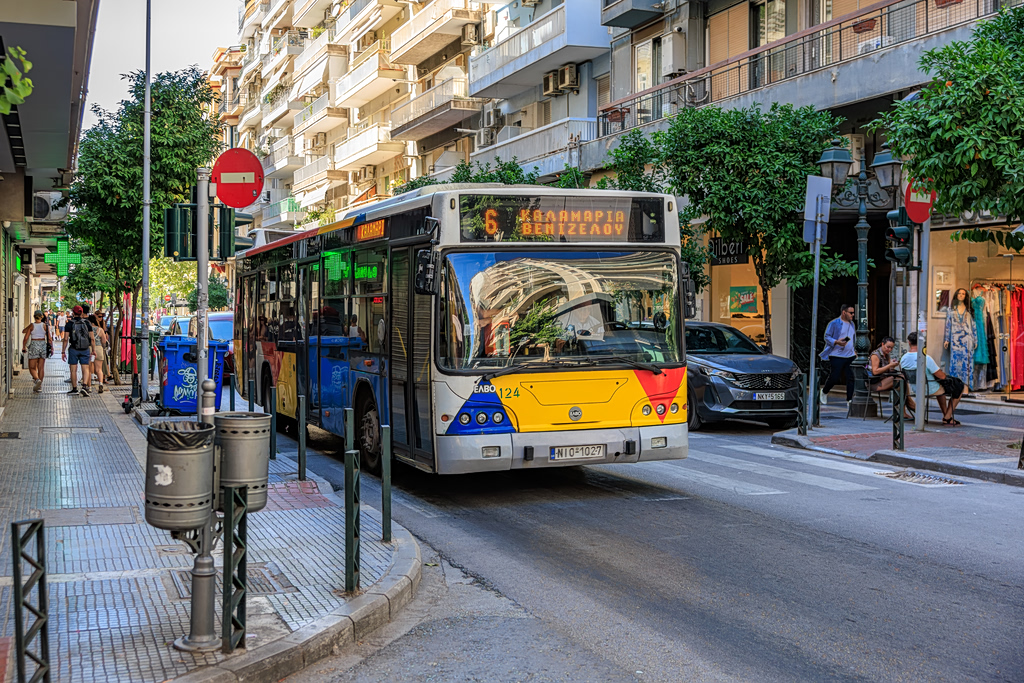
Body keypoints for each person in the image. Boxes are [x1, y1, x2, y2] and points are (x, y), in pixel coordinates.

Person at [900, 332, 963, 425]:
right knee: (959, 387)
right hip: (930, 388)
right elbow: (941, 376)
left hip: (914, 387)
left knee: (942, 387)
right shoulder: (925, 358)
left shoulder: (903, 358)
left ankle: (946, 414)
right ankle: (948, 417)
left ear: (909, 343)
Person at [818, 303, 857, 405]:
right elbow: (827, 336)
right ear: (844, 312)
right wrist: (836, 342)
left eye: (853, 313)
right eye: (851, 313)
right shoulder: (834, 323)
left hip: (850, 355)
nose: (853, 315)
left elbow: (853, 339)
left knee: (851, 377)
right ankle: (824, 391)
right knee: (835, 377)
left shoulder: (852, 324)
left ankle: (849, 400)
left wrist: (855, 351)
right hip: (836, 355)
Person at [867, 337, 915, 417]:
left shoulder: (887, 355)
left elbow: (888, 370)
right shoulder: (876, 355)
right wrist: (889, 365)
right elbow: (875, 372)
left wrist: (893, 366)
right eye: (888, 347)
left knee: (901, 379)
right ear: (883, 344)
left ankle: (904, 407)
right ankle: (907, 404)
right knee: (900, 380)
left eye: (891, 348)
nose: (889, 349)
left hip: (883, 379)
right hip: (875, 383)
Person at [943, 287, 976, 392]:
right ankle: (956, 388)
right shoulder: (951, 309)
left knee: (967, 364)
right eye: (959, 293)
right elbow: (948, 325)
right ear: (956, 295)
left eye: (963, 294)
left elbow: (974, 326)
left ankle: (966, 388)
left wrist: (975, 340)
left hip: (968, 340)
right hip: (955, 341)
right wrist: (947, 339)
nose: (961, 295)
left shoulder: (969, 309)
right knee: (955, 364)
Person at [62, 305, 95, 396]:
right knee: (85, 368)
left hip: (73, 348)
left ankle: (74, 389)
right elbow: (92, 338)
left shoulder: (69, 324)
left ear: (73, 313)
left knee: (73, 369)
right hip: (85, 349)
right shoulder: (87, 323)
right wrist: (93, 350)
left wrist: (63, 351)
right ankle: (84, 387)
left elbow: (65, 339)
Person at [21, 311, 51, 393]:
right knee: (41, 368)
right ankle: (39, 386)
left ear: (34, 316)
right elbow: (49, 338)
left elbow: (25, 337)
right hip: (42, 345)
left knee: (32, 367)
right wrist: (51, 348)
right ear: (42, 317)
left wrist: (24, 346)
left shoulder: (32, 325)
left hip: (34, 344)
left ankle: (37, 379)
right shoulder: (45, 326)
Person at [88, 314, 107, 394]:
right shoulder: (100, 330)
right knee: (99, 369)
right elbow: (104, 341)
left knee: (88, 368)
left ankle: (89, 385)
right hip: (99, 348)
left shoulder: (88, 329)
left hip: (89, 349)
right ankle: (101, 384)